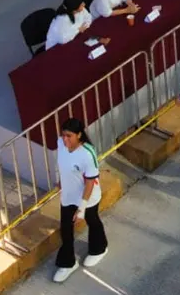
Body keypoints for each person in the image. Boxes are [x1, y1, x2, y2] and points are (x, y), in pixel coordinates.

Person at [52, 117, 108, 281]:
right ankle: (68, 263)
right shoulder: (61, 144)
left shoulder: (87, 154)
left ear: (79, 135)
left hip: (87, 198)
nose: (65, 139)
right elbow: (63, 164)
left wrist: (82, 208)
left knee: (92, 220)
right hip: (68, 196)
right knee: (66, 230)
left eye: (69, 136)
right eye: (63, 135)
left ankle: (99, 248)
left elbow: (90, 182)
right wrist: (62, 181)